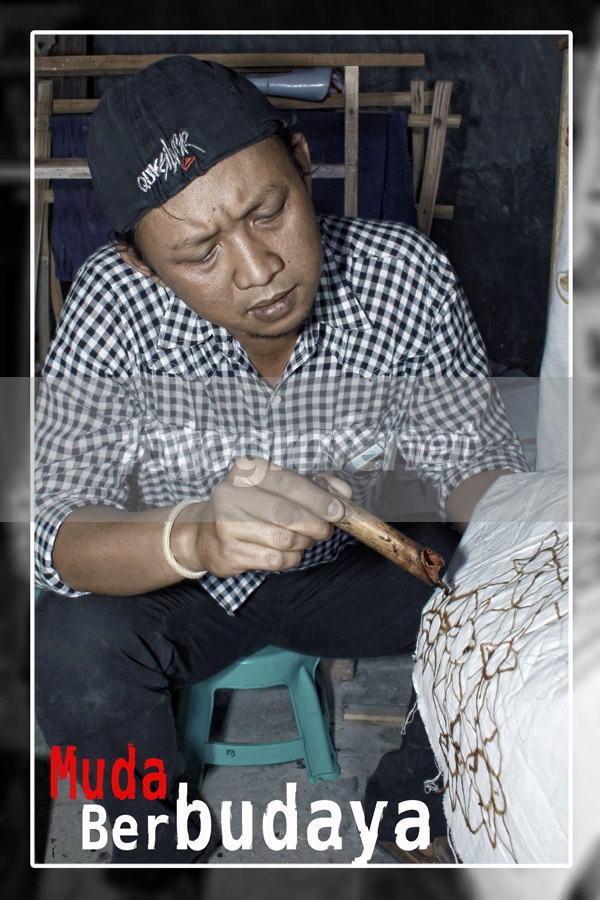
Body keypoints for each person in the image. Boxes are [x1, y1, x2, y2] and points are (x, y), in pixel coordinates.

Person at [35, 56, 529, 865]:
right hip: (182, 591)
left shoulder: (402, 274)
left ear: (302, 164)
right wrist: (198, 536)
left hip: (344, 570)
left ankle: (414, 798)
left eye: (268, 211)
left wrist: (522, 530)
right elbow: (54, 528)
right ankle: (150, 840)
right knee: (67, 644)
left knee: (514, 588)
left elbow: (471, 462)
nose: (258, 269)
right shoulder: (113, 300)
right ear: (141, 262)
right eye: (200, 254)